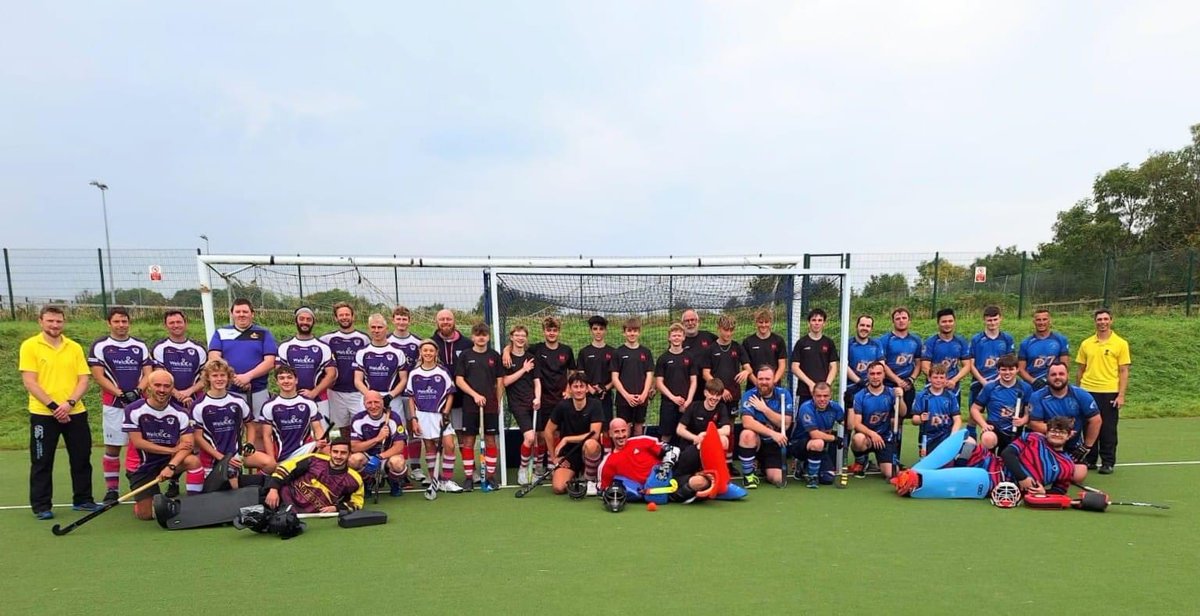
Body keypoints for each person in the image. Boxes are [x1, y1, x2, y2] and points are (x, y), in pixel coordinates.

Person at [892, 416, 1087, 500]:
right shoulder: (1034, 438)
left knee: (977, 477)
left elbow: (1059, 491)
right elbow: (1007, 453)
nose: (1055, 434)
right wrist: (1023, 477)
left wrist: (1043, 492)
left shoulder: (1067, 465)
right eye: (1052, 430)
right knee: (965, 439)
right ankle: (916, 471)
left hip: (999, 481)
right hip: (994, 463)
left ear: (1070, 435)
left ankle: (915, 481)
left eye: (1061, 432)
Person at [21, 305, 95, 519]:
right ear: (40, 321)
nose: (55, 325)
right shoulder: (30, 346)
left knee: (81, 457)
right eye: (50, 321)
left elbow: (83, 379)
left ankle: (83, 499)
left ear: (63, 322)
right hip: (44, 414)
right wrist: (54, 406)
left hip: (75, 411)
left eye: (58, 321)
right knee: (42, 460)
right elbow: (30, 382)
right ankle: (42, 505)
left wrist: (69, 403)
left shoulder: (74, 347)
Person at [90, 307, 153, 503]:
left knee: (142, 447)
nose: (121, 325)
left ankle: (142, 487)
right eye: (117, 321)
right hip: (113, 405)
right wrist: (120, 393)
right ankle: (112, 490)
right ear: (109, 323)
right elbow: (98, 376)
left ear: (129, 323)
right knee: (113, 448)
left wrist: (137, 391)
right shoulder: (101, 345)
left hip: (139, 404)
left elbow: (148, 372)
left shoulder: (139, 345)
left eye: (124, 321)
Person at [123, 370, 201, 520]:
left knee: (192, 461)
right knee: (146, 515)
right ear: (149, 387)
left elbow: (187, 444)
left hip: (168, 461)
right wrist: (170, 450)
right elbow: (138, 442)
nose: (162, 390)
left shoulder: (181, 413)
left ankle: (194, 503)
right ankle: (143, 503)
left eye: (167, 386)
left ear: (172, 388)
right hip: (141, 466)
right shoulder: (133, 410)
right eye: (157, 385)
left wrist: (171, 466)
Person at [187, 359, 272, 494]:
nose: (219, 379)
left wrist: (249, 444)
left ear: (228, 378)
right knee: (209, 499)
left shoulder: (238, 401)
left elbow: (250, 425)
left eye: (223, 375)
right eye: (215, 376)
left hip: (237, 456)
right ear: (208, 378)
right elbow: (198, 437)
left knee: (270, 463)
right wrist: (222, 458)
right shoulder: (198, 405)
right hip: (211, 459)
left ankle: (259, 488)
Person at [598, 418, 713, 503]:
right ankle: (711, 483)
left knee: (698, 447)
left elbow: (671, 450)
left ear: (628, 430)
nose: (621, 435)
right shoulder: (608, 463)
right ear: (610, 433)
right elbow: (604, 490)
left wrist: (666, 466)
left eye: (623, 431)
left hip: (673, 471)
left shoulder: (641, 440)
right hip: (661, 490)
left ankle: (715, 474)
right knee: (699, 482)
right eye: (617, 432)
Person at [1075, 308, 1131, 474]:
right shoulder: (1086, 343)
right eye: (1099, 319)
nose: (1102, 322)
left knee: (1107, 428)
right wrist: (1078, 392)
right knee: (1088, 426)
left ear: (1111, 321)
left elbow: (1123, 371)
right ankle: (1090, 459)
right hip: (1088, 391)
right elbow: (1080, 369)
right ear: (1095, 322)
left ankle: (1108, 462)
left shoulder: (1120, 343)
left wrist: (1121, 395)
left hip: (1109, 391)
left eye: (1106, 319)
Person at [405, 339, 461, 492]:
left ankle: (447, 480)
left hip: (439, 415)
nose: (428, 353)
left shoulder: (442, 371)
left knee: (449, 445)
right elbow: (411, 398)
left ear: (436, 353)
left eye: (431, 350)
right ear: (420, 353)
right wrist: (414, 418)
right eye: (425, 350)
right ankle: (434, 479)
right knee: (429, 447)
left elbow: (450, 394)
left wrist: (445, 413)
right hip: (422, 415)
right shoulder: (414, 373)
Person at [453, 323, 504, 491]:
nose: (481, 337)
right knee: (468, 441)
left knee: (490, 440)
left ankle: (490, 476)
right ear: (473, 337)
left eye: (484, 335)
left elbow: (500, 380)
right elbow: (459, 380)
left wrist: (497, 401)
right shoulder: (466, 356)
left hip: (489, 406)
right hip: (470, 405)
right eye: (478, 334)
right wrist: (474, 395)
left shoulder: (494, 356)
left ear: (488, 337)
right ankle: (469, 477)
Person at [264, 433, 363, 514]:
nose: (338, 456)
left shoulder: (354, 479)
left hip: (311, 513)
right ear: (330, 451)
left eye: (343, 453)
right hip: (283, 499)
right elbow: (285, 468)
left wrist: (336, 508)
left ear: (349, 454)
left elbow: (356, 503)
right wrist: (274, 489)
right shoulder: (313, 459)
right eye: (335, 452)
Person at [1028, 362, 1102, 468]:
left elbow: (1096, 420)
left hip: (1073, 445)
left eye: (1061, 374)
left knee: (1079, 474)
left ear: (1067, 375)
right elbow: (1035, 424)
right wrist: (1061, 433)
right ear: (1047, 377)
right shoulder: (1037, 396)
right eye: (1053, 375)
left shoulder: (1081, 395)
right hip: (1046, 444)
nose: (1057, 377)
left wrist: (1086, 447)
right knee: (1044, 472)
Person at [257, 365, 327, 472]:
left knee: (330, 450)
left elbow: (318, 430)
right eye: (282, 378)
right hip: (282, 455)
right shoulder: (269, 406)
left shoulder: (309, 403)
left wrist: (322, 441)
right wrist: (272, 460)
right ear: (277, 382)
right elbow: (267, 436)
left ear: (296, 380)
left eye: (289, 377)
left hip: (305, 450)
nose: (286, 381)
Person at [544, 372, 604, 496]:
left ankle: (590, 480)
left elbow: (594, 435)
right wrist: (554, 458)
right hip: (569, 454)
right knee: (558, 488)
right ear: (570, 389)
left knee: (591, 444)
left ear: (587, 388)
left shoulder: (595, 405)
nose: (579, 390)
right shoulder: (562, 406)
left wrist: (566, 439)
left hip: (588, 452)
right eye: (575, 387)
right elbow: (548, 431)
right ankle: (575, 474)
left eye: (582, 386)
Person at [735, 364, 794, 488]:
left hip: (774, 444)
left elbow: (786, 423)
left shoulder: (783, 394)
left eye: (767, 379)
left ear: (774, 380)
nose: (764, 382)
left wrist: (765, 409)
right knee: (747, 434)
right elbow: (747, 422)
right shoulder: (750, 394)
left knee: (779, 479)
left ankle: (763, 466)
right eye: (761, 379)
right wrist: (773, 433)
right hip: (757, 442)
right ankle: (748, 476)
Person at [276, 307, 336, 425]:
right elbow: (279, 372)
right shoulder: (285, 346)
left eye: (308, 319)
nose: (305, 322)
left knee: (322, 437)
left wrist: (314, 392)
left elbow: (331, 374)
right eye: (301, 319)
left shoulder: (323, 347)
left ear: (313, 322)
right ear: (296, 321)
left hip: (319, 399)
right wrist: (292, 393)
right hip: (291, 399)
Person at [850, 361, 905, 480]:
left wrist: (900, 398)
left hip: (885, 438)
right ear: (868, 375)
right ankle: (862, 460)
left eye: (878, 373)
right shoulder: (860, 396)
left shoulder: (891, 393)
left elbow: (902, 413)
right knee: (858, 439)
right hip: (867, 437)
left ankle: (882, 461)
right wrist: (872, 434)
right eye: (872, 374)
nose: (875, 377)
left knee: (891, 474)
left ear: (884, 375)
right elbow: (856, 424)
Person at [318, 301, 369, 430]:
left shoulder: (364, 339)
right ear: (336, 318)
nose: (344, 317)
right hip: (335, 392)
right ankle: (338, 448)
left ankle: (357, 450)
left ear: (353, 316)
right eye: (341, 315)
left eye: (347, 314)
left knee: (360, 426)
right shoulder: (327, 339)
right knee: (335, 428)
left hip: (357, 392)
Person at [969, 354, 1033, 453]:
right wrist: (984, 425)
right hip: (995, 428)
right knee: (988, 438)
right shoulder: (990, 387)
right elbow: (974, 409)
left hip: (1014, 430)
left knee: (1008, 456)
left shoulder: (1025, 388)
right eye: (1003, 369)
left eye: (1011, 369)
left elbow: (1027, 413)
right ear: (998, 371)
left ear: (1017, 370)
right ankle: (989, 463)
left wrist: (1023, 420)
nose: (1007, 373)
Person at [348, 391, 408, 496]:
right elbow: (354, 447)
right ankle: (367, 482)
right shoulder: (358, 419)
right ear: (364, 404)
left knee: (398, 463)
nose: (373, 406)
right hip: (367, 457)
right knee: (353, 460)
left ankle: (394, 483)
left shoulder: (393, 418)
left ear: (382, 403)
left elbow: (399, 446)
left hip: (386, 456)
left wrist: (380, 457)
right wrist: (377, 439)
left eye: (376, 402)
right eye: (369, 403)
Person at [502, 325, 542, 484]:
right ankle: (523, 469)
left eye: (523, 335)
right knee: (530, 437)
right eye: (517, 335)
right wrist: (523, 370)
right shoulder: (506, 358)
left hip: (532, 402)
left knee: (537, 438)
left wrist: (538, 398)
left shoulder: (531, 357)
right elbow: (505, 382)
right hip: (517, 403)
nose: (520, 338)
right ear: (511, 337)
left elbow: (537, 382)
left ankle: (536, 470)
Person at [388, 305, 424, 479]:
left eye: (404, 319)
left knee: (413, 429)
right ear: (393, 320)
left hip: (411, 394)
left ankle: (416, 467)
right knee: (398, 431)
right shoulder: (386, 341)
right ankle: (400, 469)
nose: (401, 322)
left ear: (409, 321)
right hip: (393, 394)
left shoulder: (417, 342)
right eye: (398, 318)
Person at [353, 313, 409, 418]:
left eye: (380, 327)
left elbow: (403, 380)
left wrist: (390, 396)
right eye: (373, 327)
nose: (376, 330)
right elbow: (357, 380)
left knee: (396, 431)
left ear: (386, 329)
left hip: (392, 400)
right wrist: (370, 396)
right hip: (369, 399)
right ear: (369, 329)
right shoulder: (362, 352)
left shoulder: (398, 352)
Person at [150, 310, 206, 408]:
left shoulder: (199, 349)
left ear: (185, 323)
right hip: (166, 402)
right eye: (171, 323)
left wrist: (188, 392)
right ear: (165, 326)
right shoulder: (159, 348)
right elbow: (158, 377)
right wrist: (178, 395)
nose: (175, 325)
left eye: (179, 322)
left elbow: (205, 378)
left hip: (193, 400)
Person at [794, 382, 845, 488]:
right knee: (818, 442)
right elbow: (814, 434)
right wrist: (835, 439)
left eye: (825, 396)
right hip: (799, 445)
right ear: (813, 395)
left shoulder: (835, 407)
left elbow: (849, 426)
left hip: (820, 448)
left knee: (828, 478)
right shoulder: (806, 407)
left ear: (830, 395)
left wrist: (850, 407)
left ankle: (806, 466)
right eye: (819, 396)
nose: (822, 399)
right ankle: (812, 477)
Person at [654, 323, 697, 446]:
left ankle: (684, 462)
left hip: (685, 404)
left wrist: (688, 401)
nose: (676, 338)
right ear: (669, 338)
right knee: (666, 435)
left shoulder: (689, 357)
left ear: (684, 337)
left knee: (685, 434)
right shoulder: (663, 358)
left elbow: (693, 381)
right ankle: (664, 462)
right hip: (668, 404)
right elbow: (659, 383)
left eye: (679, 335)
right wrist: (673, 398)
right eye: (674, 335)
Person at [611, 317, 654, 437]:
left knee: (638, 427)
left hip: (641, 398)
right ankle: (626, 453)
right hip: (624, 399)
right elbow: (615, 377)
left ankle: (638, 453)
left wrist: (644, 394)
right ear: (624, 333)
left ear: (639, 332)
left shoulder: (646, 352)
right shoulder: (618, 352)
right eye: (629, 331)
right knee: (624, 428)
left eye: (635, 331)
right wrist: (627, 396)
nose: (632, 333)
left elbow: (649, 374)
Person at [968, 305, 1015, 408]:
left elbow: (1011, 362)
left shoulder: (1007, 339)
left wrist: (997, 379)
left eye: (995, 319)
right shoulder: (976, 339)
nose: (992, 323)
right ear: (984, 320)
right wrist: (983, 382)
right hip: (979, 381)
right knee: (973, 414)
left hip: (1000, 382)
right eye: (989, 320)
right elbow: (970, 365)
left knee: (997, 413)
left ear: (1000, 319)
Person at [921, 308, 972, 402]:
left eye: (950, 321)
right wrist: (939, 380)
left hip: (953, 386)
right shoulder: (930, 342)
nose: (947, 324)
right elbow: (924, 366)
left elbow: (967, 365)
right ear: (938, 323)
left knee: (954, 415)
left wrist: (954, 380)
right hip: (933, 386)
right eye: (944, 321)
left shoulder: (961, 341)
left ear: (954, 322)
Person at [911, 364, 962, 458]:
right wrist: (921, 419)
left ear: (946, 379)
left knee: (969, 443)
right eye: (935, 377)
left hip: (946, 436)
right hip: (927, 438)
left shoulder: (951, 396)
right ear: (929, 378)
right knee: (928, 467)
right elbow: (914, 420)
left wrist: (952, 436)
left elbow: (957, 419)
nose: (938, 380)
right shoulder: (921, 396)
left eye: (942, 377)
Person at [577, 315, 615, 438]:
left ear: (605, 331)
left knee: (607, 431)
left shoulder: (613, 352)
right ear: (591, 330)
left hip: (606, 396)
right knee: (590, 432)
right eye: (595, 329)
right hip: (588, 397)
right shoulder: (584, 352)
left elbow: (616, 376)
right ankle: (589, 456)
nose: (598, 332)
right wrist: (589, 388)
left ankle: (606, 456)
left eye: (601, 329)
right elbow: (580, 374)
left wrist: (606, 388)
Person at [790, 308, 839, 404]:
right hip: (805, 392)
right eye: (814, 320)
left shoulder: (829, 342)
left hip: (823, 394)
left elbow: (834, 366)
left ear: (824, 323)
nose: (817, 323)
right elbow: (794, 367)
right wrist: (810, 384)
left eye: (820, 320)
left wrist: (826, 386)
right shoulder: (801, 343)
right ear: (809, 323)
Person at [878, 307, 923, 412]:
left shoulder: (916, 340)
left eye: (904, 318)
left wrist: (911, 379)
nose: (901, 321)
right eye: (898, 318)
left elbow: (918, 363)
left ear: (909, 320)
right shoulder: (884, 340)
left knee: (903, 416)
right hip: (889, 384)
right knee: (889, 417)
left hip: (908, 384)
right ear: (893, 321)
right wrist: (897, 380)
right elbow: (882, 364)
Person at [701, 314, 750, 404]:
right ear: (719, 328)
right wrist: (720, 390)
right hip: (715, 394)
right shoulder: (710, 349)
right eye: (726, 330)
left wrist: (746, 371)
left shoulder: (737, 347)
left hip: (733, 394)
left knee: (730, 418)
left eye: (731, 330)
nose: (728, 333)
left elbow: (748, 368)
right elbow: (705, 374)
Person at [676, 378, 733, 454]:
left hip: (709, 442)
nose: (714, 398)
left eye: (718, 395)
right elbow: (680, 429)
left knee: (724, 440)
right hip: (692, 445)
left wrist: (705, 434)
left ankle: (719, 465)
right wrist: (696, 438)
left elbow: (727, 430)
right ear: (705, 393)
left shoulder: (721, 407)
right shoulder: (694, 406)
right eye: (712, 394)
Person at [1017, 309, 1070, 390]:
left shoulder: (1061, 340)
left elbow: (1065, 366)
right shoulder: (1025, 343)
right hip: (1033, 386)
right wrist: (1033, 381)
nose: (1041, 323)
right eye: (1038, 320)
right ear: (1034, 322)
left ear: (1050, 321)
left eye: (1044, 319)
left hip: (1054, 385)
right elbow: (1020, 369)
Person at [741, 309, 787, 391]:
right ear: (756, 323)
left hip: (774, 387)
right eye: (761, 322)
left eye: (766, 322)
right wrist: (757, 383)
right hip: (753, 387)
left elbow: (782, 365)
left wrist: (773, 382)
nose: (764, 325)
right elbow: (746, 366)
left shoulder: (778, 340)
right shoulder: (747, 342)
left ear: (770, 323)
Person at [845, 315, 884, 410]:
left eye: (868, 326)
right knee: (851, 421)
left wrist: (873, 381)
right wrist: (859, 381)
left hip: (871, 388)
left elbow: (881, 365)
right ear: (857, 326)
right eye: (862, 325)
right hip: (852, 387)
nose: (865, 328)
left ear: (871, 329)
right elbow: (843, 366)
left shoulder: (876, 344)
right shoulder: (848, 343)